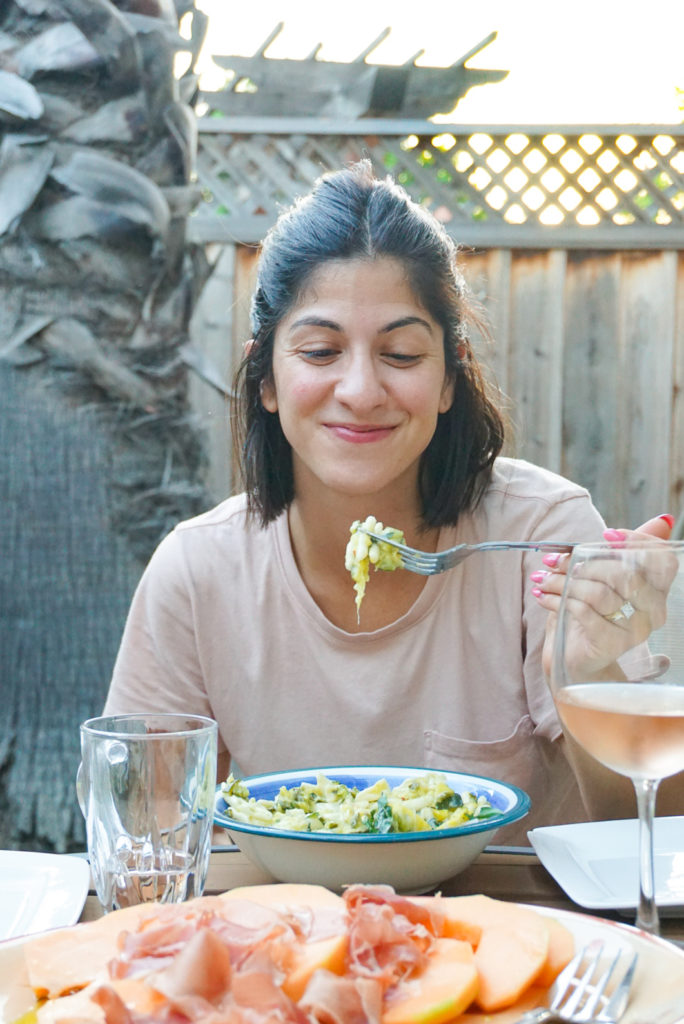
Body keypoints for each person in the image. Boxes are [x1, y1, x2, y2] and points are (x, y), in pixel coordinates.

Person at [103, 160, 678, 841]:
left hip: (521, 936)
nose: (361, 390)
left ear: (447, 379)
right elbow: (145, 838)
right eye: (320, 351)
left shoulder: (545, 536)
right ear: (267, 379)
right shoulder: (198, 573)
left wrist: (587, 671)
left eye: (401, 355)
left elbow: (657, 839)